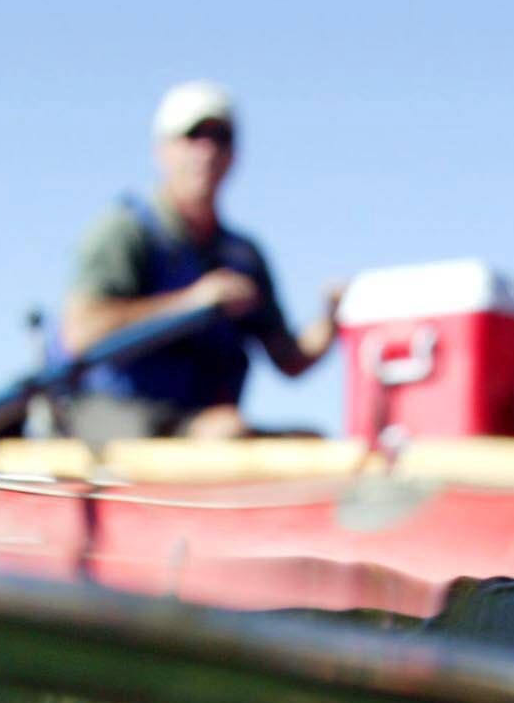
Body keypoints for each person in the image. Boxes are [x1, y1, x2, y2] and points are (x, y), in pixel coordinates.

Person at [57, 81, 345, 442]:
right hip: (110, 414)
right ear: (162, 150)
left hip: (206, 418)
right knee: (226, 433)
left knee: (310, 443)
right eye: (193, 137)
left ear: (234, 154)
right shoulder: (126, 231)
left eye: (220, 137)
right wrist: (190, 304)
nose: (206, 151)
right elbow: (80, 333)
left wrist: (331, 320)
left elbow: (289, 360)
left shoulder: (243, 255)